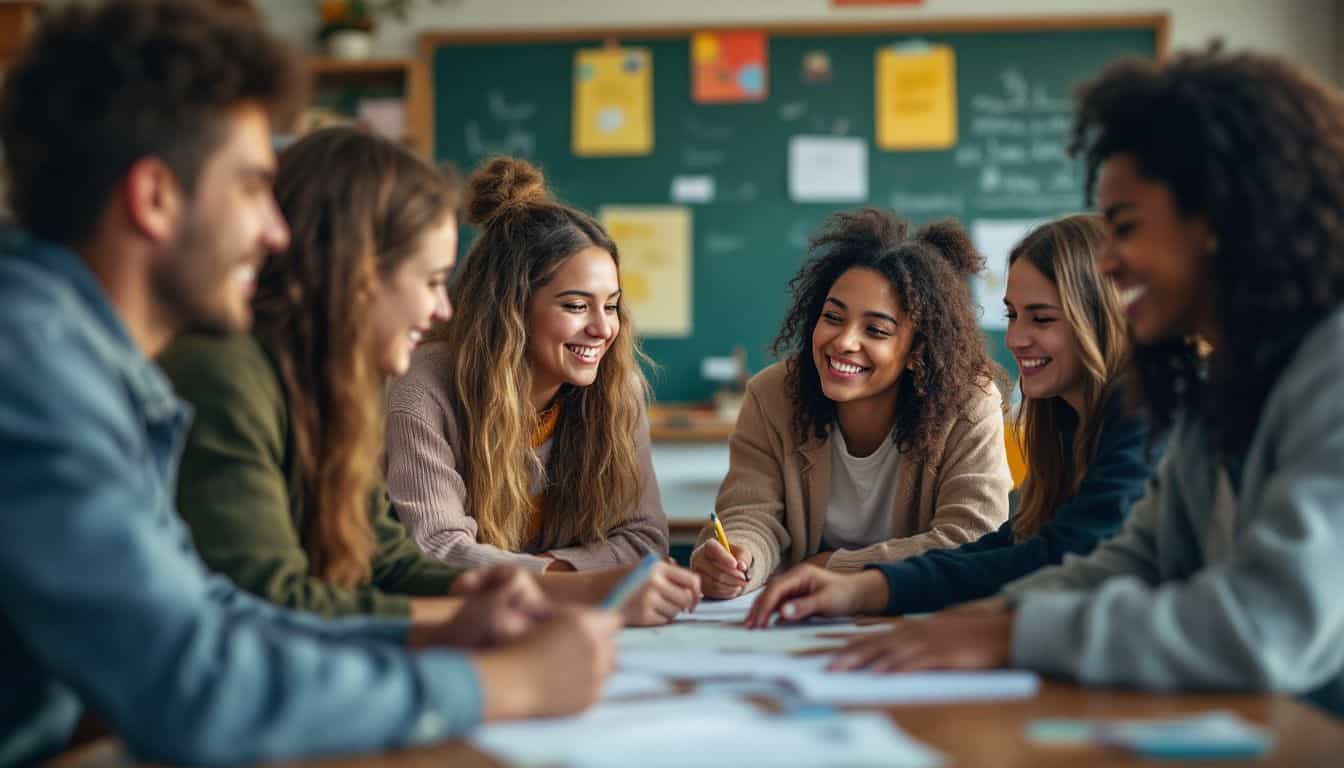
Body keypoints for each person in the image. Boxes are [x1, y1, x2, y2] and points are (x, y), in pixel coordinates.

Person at [0, 4, 615, 765]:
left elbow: (212, 613)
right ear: (154, 196)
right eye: (254, 187)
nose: (277, 231)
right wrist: (497, 684)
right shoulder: (33, 369)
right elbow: (198, 682)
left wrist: (435, 631)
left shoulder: (80, 358)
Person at [808, 49, 1344, 716]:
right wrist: (948, 611)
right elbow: (1137, 560)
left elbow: (1270, 625)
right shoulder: (1230, 383)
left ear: (1221, 219)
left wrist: (1008, 631)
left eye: (1124, 228)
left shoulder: (1330, 369)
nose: (1110, 261)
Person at [744, 214, 1155, 625]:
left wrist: (861, 583)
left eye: (1042, 318)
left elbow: (1064, 554)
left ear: (1103, 316)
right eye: (1012, 316)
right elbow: (1019, 542)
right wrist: (864, 586)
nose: (1014, 339)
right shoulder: (1064, 420)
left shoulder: (1144, 410)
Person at [160, 126, 489, 623]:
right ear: (357, 275)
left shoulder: (336, 381)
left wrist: (481, 588)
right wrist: (464, 619)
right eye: (433, 282)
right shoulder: (225, 376)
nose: (443, 310)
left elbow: (387, 561)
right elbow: (270, 600)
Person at [384, 157, 699, 626]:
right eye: (576, 306)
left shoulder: (617, 389)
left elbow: (642, 540)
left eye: (611, 306)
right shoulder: (422, 389)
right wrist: (585, 581)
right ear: (509, 309)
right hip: (460, 627)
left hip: (554, 623)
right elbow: (437, 552)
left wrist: (548, 577)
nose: (602, 329)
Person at [690, 209, 1014, 599]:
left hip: (916, 619)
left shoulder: (968, 405)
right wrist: (741, 558)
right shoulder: (772, 395)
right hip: (800, 625)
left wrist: (830, 566)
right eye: (833, 317)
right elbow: (750, 514)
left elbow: (971, 540)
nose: (844, 341)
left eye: (875, 330)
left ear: (917, 351)